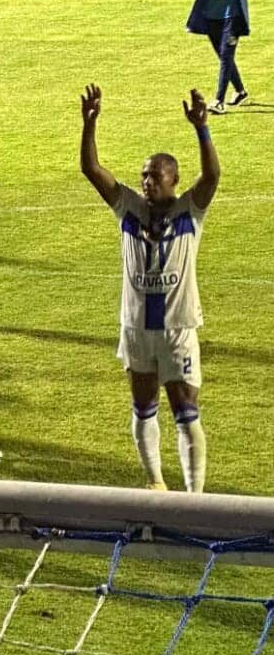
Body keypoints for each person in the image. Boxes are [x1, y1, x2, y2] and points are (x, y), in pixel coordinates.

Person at [80, 85, 219, 492]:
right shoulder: (128, 207)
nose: (146, 182)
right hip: (137, 328)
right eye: (143, 175)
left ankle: (195, 497)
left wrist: (202, 130)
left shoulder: (189, 210)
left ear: (174, 180)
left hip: (177, 328)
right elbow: (92, 170)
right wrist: (89, 124)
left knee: (186, 409)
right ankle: (156, 482)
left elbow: (212, 176)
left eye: (154, 176)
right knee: (143, 407)